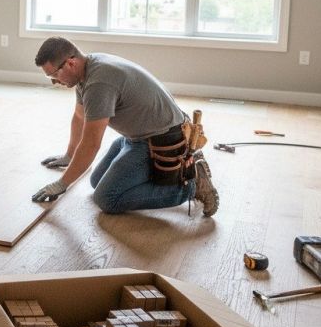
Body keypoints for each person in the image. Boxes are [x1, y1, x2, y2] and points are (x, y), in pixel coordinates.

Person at [31, 37, 219, 216]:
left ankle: (191, 186)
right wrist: (69, 155)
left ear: (71, 63)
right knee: (96, 181)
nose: (55, 81)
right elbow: (80, 117)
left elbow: (91, 144)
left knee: (107, 198)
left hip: (160, 139)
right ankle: (156, 173)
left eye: (54, 75)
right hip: (137, 136)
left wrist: (62, 184)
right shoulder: (87, 70)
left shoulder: (99, 82)